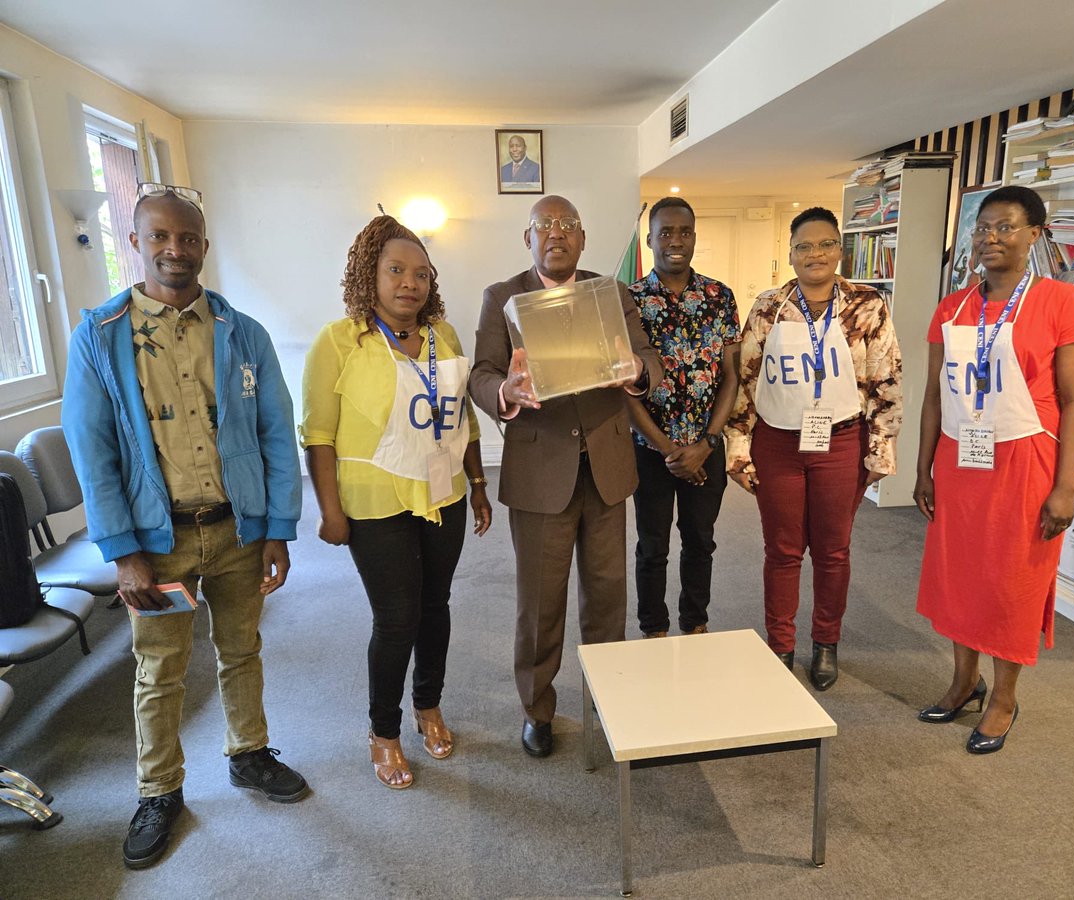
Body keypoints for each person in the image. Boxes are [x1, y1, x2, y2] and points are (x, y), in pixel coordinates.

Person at [62, 184, 307, 870]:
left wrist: (278, 529)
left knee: (242, 649)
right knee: (161, 668)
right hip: (156, 543)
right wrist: (122, 553)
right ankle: (159, 790)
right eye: (161, 237)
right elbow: (93, 448)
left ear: (204, 244)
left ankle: (249, 753)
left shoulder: (242, 332)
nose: (176, 250)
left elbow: (276, 437)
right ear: (134, 243)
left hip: (238, 530)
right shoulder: (101, 337)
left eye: (189, 238)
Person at [300, 215, 492, 789]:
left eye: (420, 273)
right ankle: (384, 732)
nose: (410, 283)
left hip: (443, 490)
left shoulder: (445, 336)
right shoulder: (339, 340)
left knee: (437, 604)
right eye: (395, 271)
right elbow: (318, 434)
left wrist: (479, 486)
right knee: (396, 616)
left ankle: (428, 705)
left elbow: (464, 418)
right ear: (370, 274)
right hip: (374, 498)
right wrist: (330, 511)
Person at [469, 195, 662, 757]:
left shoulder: (610, 292)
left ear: (582, 238)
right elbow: (481, 374)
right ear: (527, 239)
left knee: (606, 595)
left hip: (605, 468)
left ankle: (606, 700)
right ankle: (538, 709)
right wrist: (505, 391)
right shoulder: (502, 298)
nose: (556, 233)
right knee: (541, 602)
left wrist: (635, 372)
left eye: (567, 225)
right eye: (544, 226)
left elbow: (648, 356)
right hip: (539, 471)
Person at [914, 185, 1074, 754]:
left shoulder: (1061, 301)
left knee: (1012, 581)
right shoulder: (955, 307)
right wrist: (923, 471)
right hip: (963, 458)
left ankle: (1005, 698)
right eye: (983, 227)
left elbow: (1072, 402)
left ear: (1034, 234)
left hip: (1025, 460)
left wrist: (1066, 486)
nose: (991, 237)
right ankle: (965, 680)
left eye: (1006, 227)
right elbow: (934, 395)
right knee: (961, 575)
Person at [725, 207, 902, 689]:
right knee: (781, 551)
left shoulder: (867, 305)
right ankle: (780, 645)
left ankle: (826, 642)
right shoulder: (768, 307)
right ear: (791, 254)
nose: (815, 254)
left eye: (824, 244)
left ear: (839, 249)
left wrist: (879, 446)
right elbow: (744, 381)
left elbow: (887, 377)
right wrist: (738, 448)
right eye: (804, 246)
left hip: (841, 441)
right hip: (777, 442)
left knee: (832, 551)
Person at [627, 197, 740, 638]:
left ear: (694, 237)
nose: (676, 240)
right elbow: (623, 389)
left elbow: (731, 376)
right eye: (667, 232)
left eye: (685, 232)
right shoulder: (631, 300)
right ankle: (653, 629)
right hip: (651, 450)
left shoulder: (720, 297)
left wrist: (706, 444)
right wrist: (670, 450)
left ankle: (695, 624)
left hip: (706, 447)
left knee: (700, 544)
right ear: (650, 239)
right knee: (652, 547)